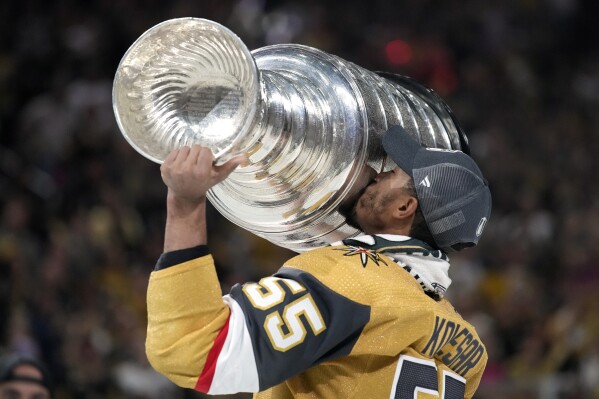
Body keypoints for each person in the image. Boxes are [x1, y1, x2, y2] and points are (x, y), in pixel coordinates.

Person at [145, 125, 492, 398]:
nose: (379, 172)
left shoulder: (351, 279)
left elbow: (194, 350)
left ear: (404, 208)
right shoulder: (467, 346)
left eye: (395, 173)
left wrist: (185, 206)